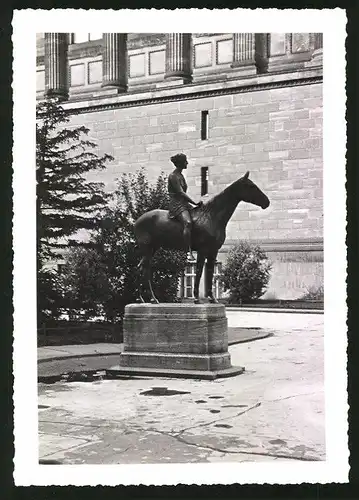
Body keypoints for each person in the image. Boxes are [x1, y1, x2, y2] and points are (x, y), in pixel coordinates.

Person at [168, 153, 203, 261]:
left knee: (200, 217)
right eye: (185, 161)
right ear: (180, 163)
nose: (187, 163)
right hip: (177, 204)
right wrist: (194, 203)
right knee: (188, 223)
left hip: (184, 204)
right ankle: (188, 251)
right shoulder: (173, 176)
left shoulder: (181, 175)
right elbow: (180, 193)